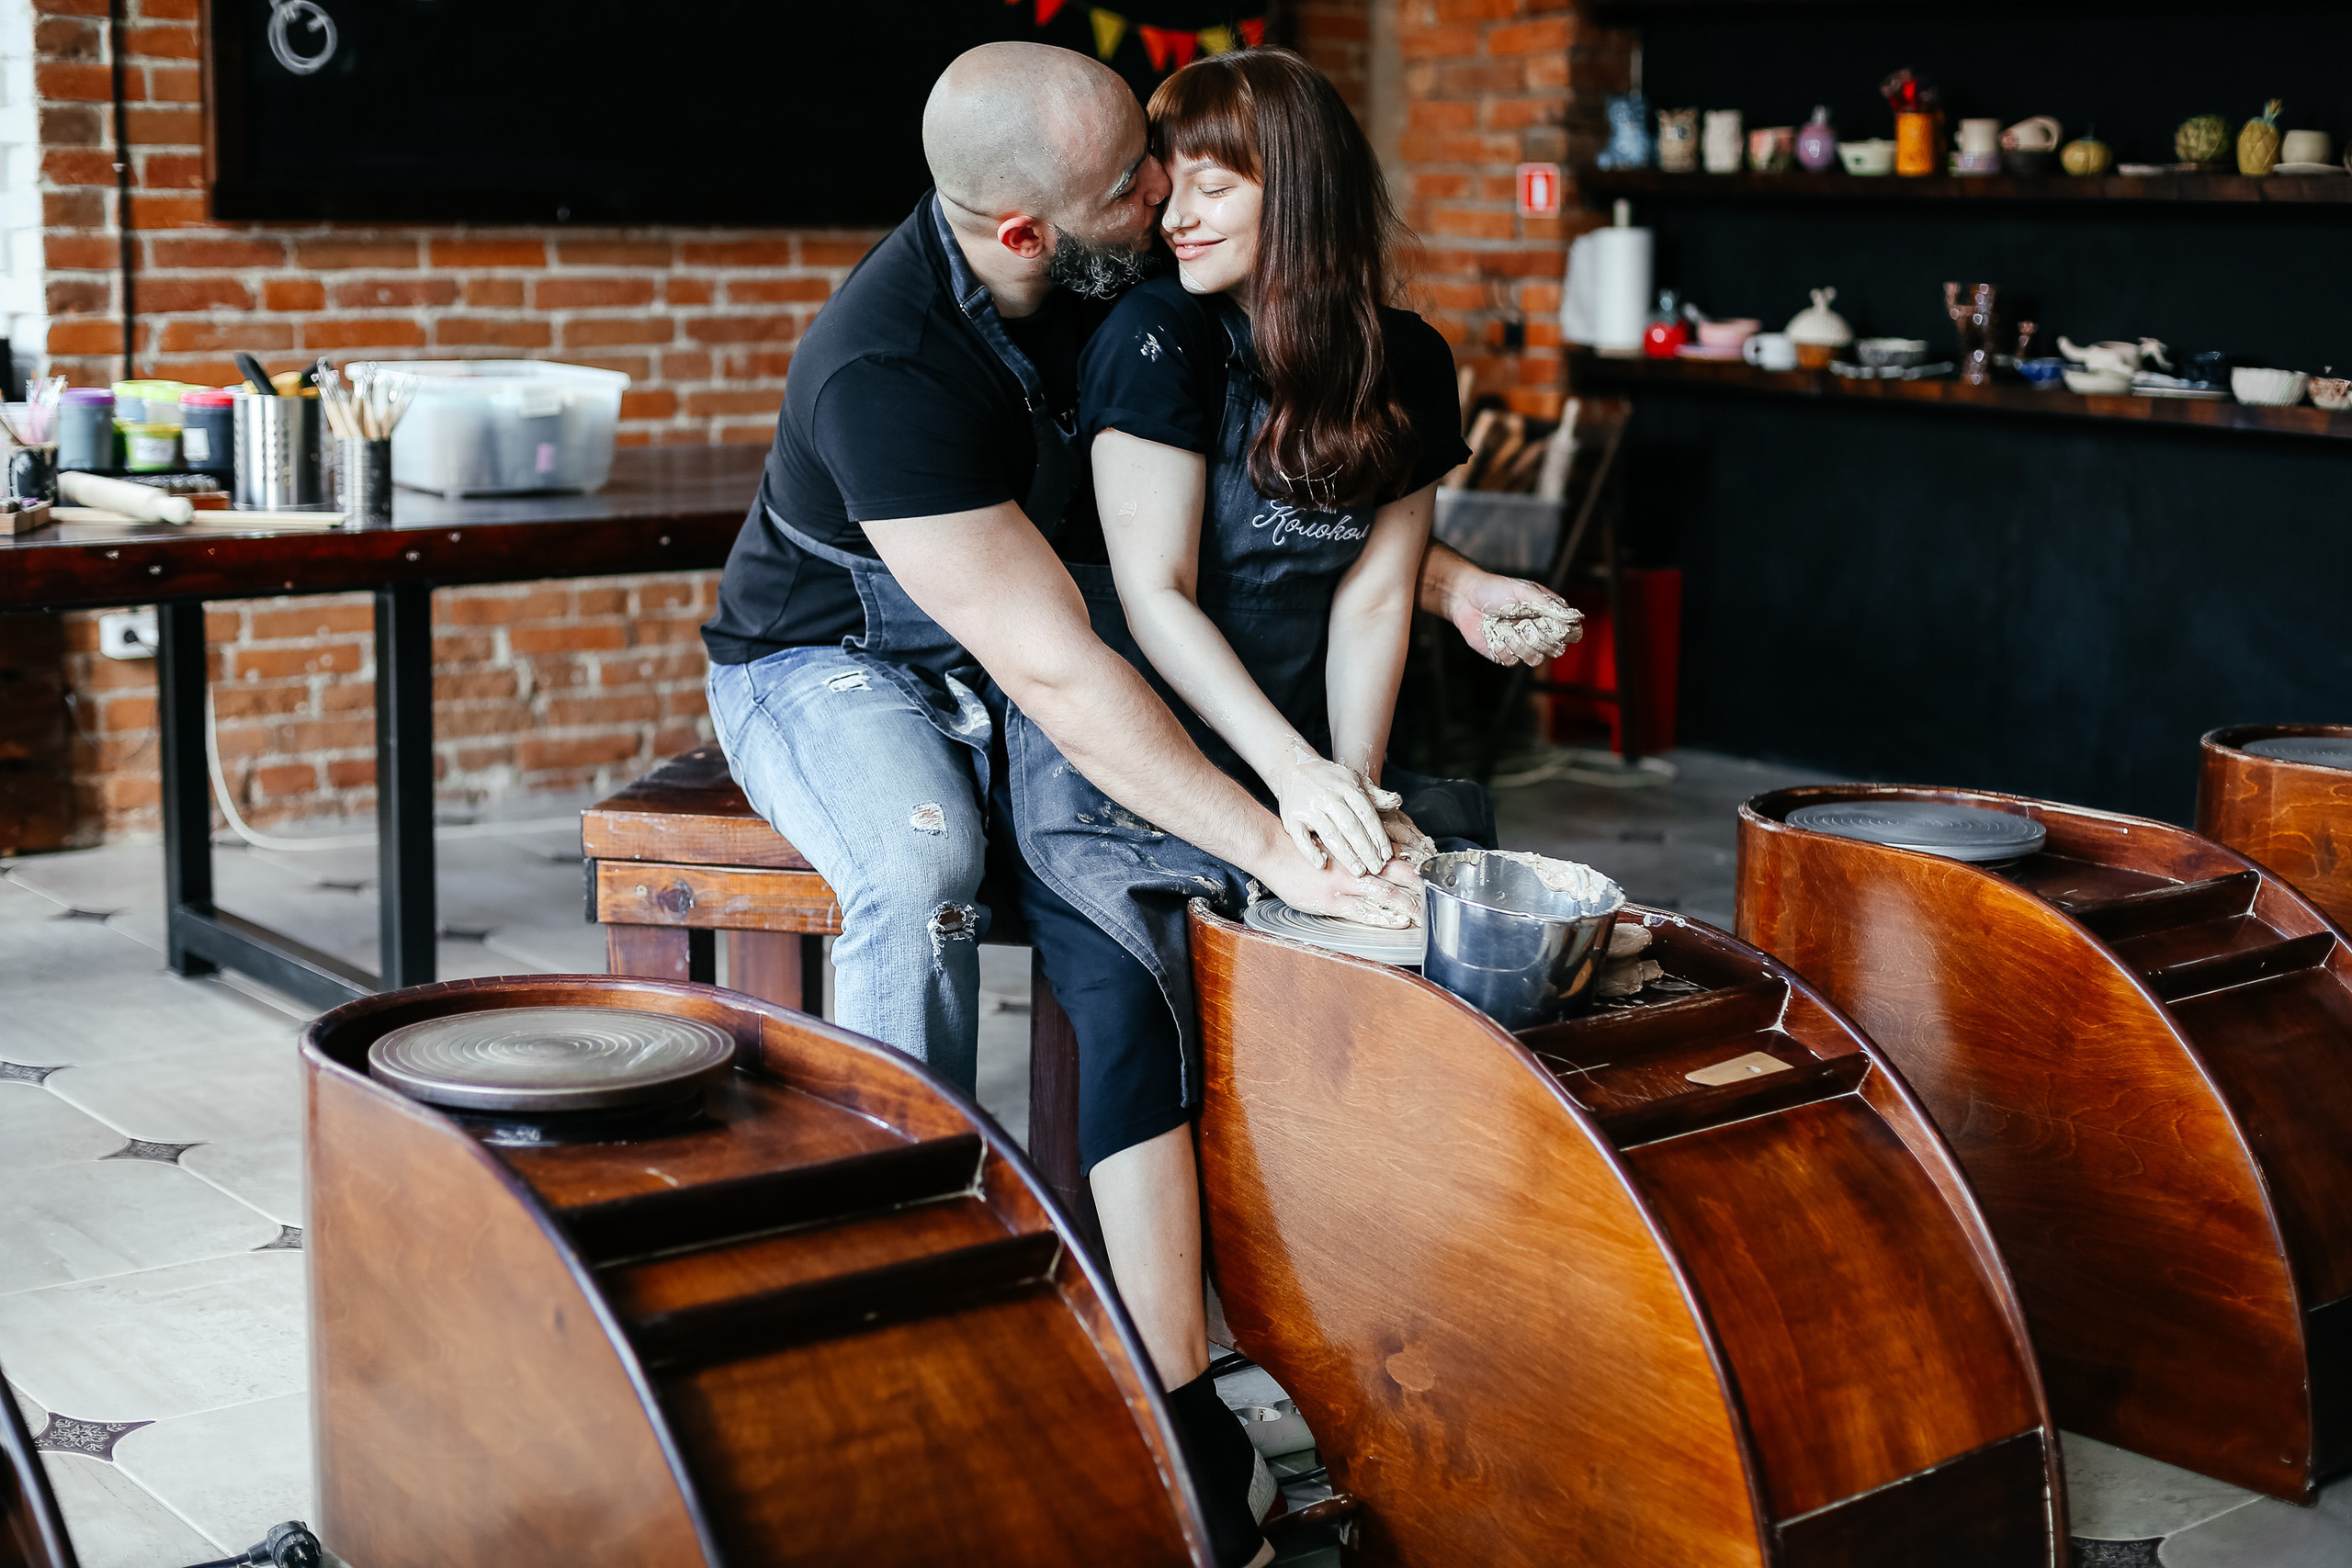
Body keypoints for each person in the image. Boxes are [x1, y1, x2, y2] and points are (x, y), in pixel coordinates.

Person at [697, 41, 1579, 1567]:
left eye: (1172, 167)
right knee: (926, 868)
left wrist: (1441, 588)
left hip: (1031, 633)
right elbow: (1064, 663)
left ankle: (1266, 1337)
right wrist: (1278, 834)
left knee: (1171, 888)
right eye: (1135, 183)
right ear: (1027, 227)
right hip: (839, 659)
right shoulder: (886, 368)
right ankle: (898, 1273)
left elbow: (1252, 489)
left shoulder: (1110, 272)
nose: (1165, 196)